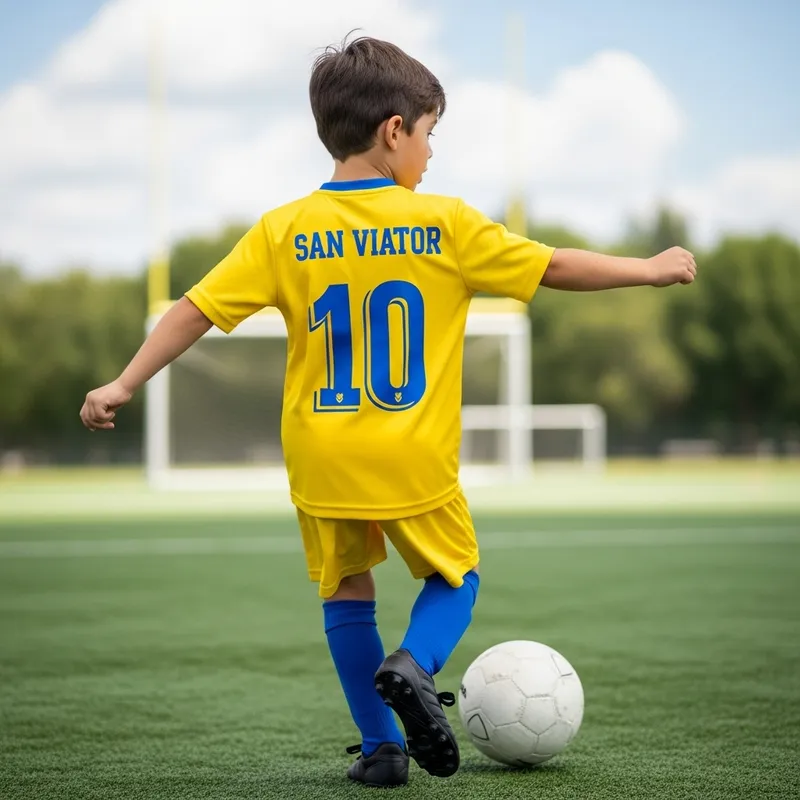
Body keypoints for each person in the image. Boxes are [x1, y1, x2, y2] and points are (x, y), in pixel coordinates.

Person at [80, 35, 697, 789]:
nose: (432, 154)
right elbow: (554, 265)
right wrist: (649, 268)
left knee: (346, 595)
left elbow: (194, 308)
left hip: (321, 457)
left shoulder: (284, 229)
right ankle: (416, 662)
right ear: (394, 130)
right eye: (431, 133)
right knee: (458, 576)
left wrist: (122, 382)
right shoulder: (443, 223)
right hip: (412, 458)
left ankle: (381, 752)